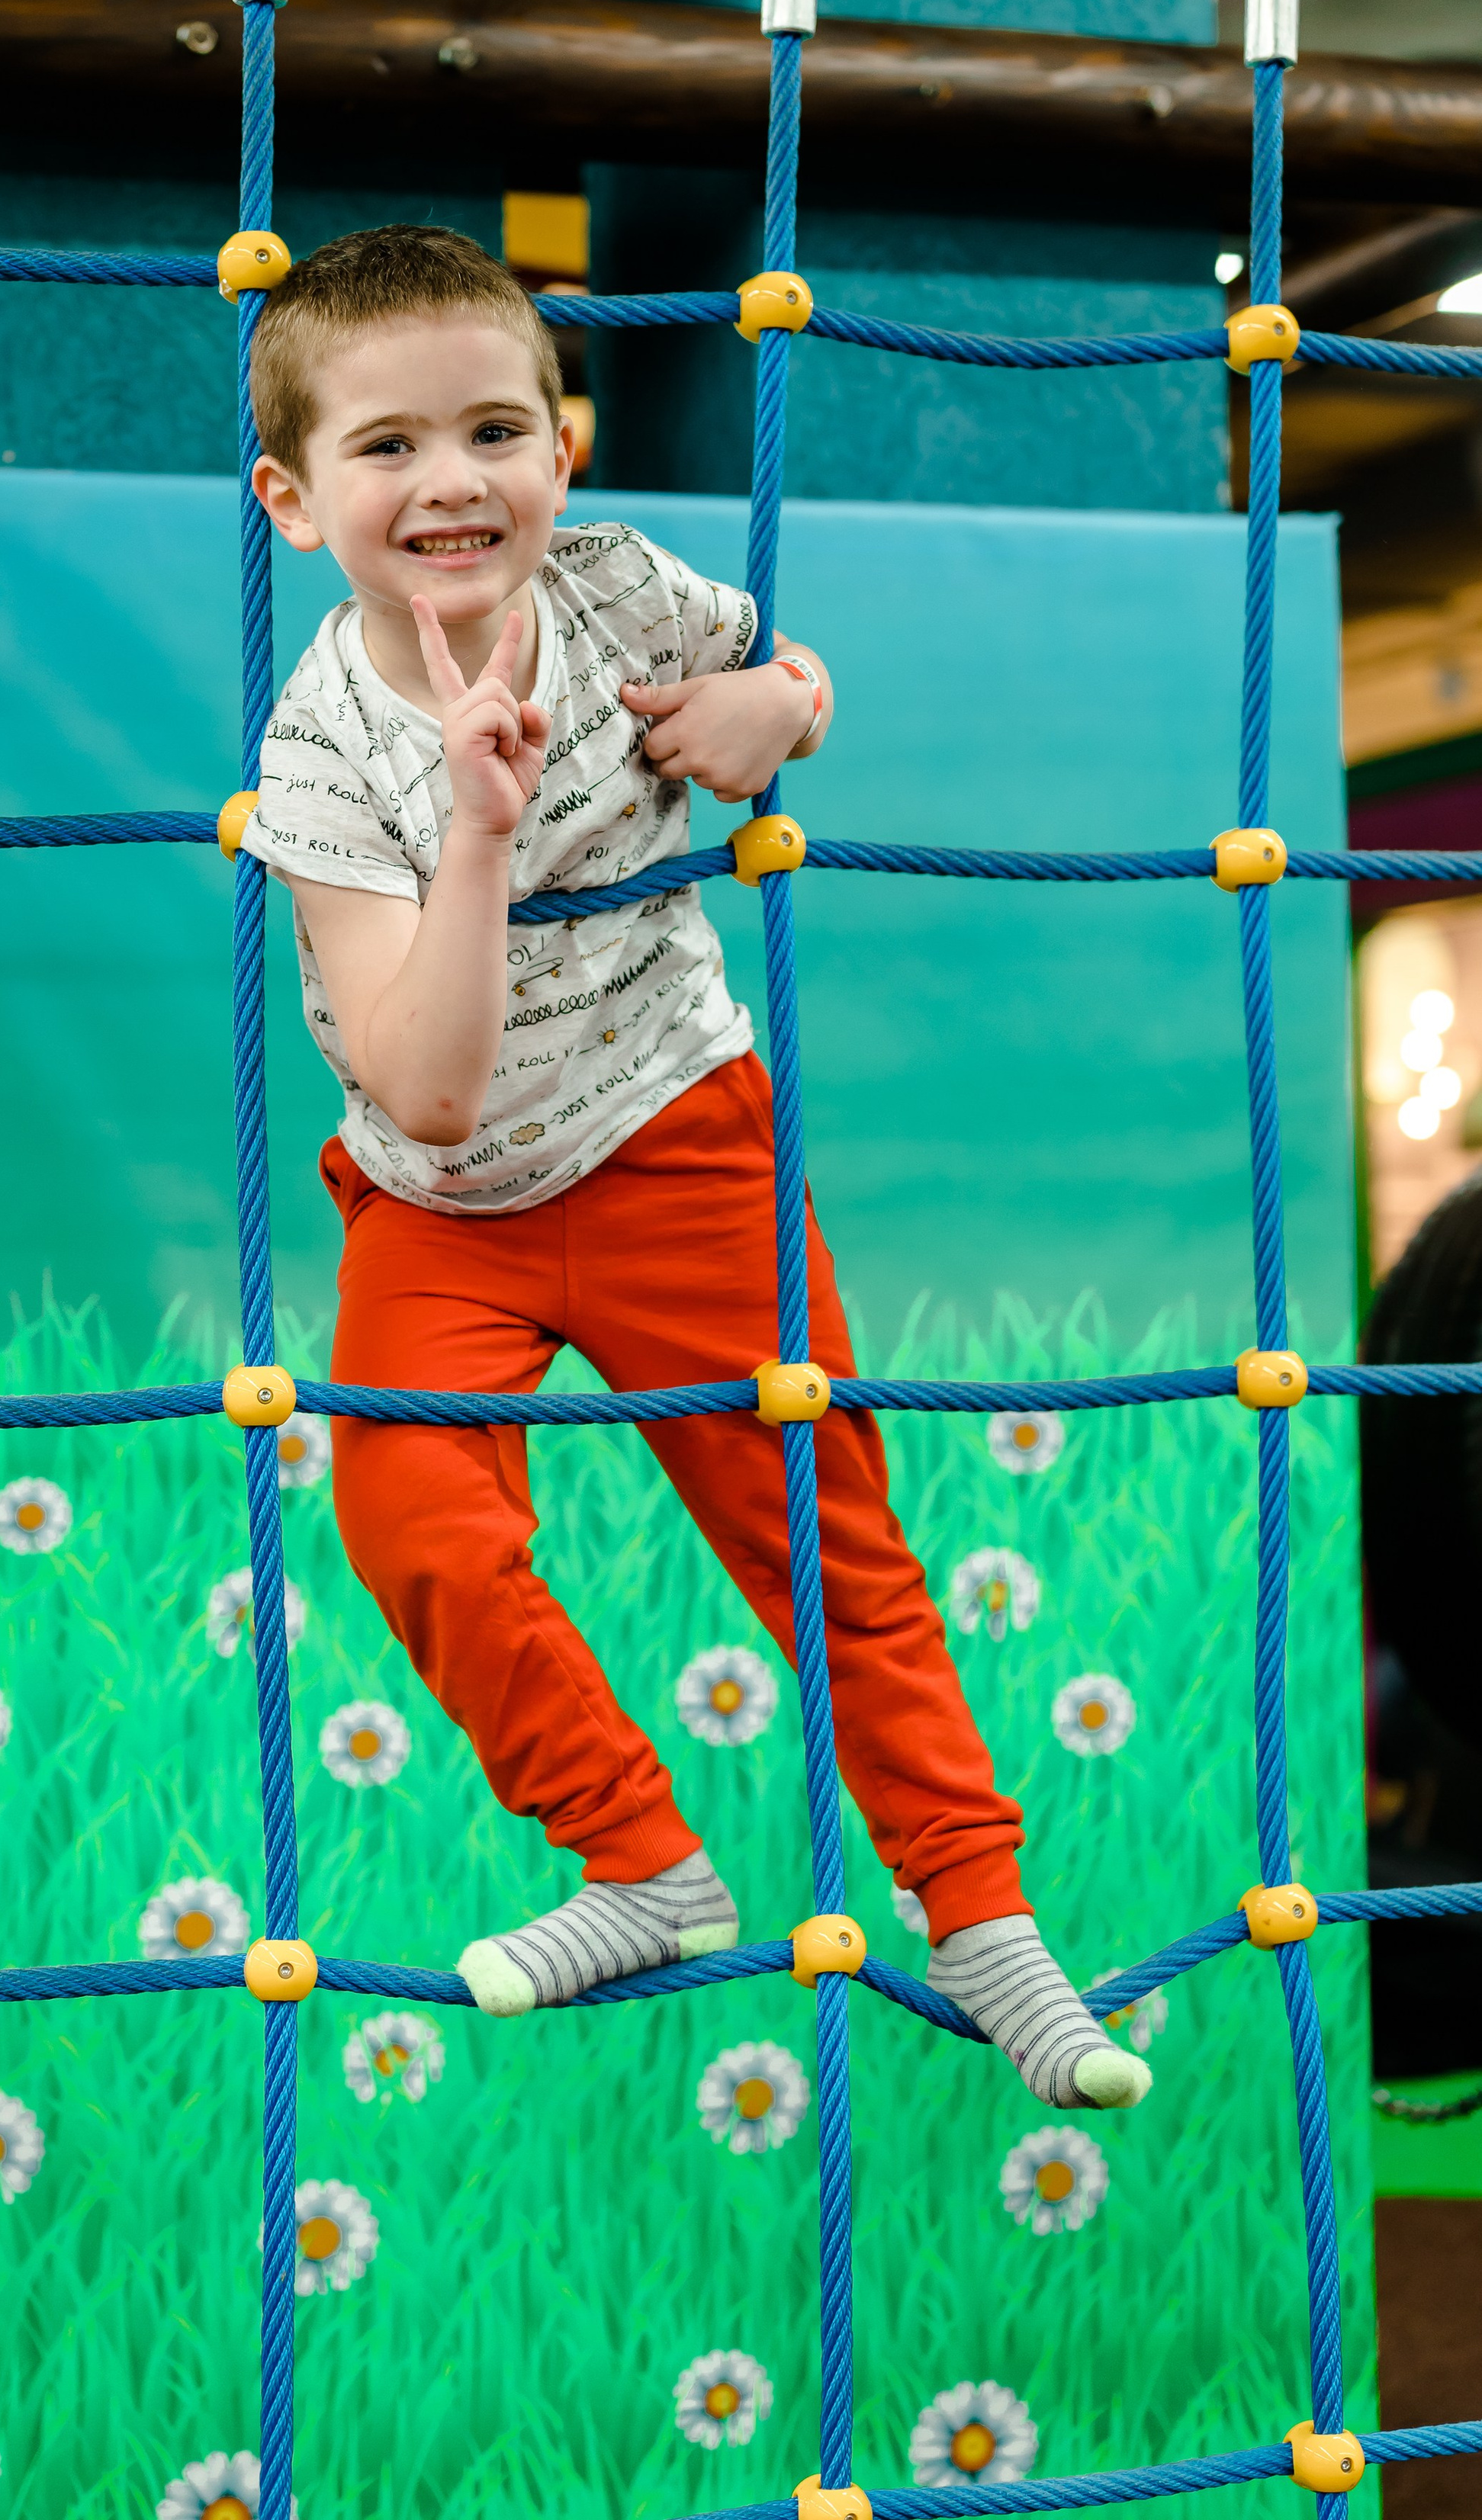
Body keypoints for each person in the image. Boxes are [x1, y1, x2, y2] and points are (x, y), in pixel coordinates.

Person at [243, 223, 1147, 2111]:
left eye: (493, 430)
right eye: (386, 445)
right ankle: (641, 1863)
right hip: (440, 1209)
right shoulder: (319, 754)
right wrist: (476, 828)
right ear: (293, 497)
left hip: (678, 1139)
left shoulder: (616, 588)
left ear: (559, 450)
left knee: (826, 1540)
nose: (449, 479)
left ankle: (976, 1916)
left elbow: (775, 671)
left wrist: (783, 701)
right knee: (410, 1520)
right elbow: (424, 1091)